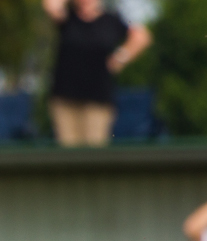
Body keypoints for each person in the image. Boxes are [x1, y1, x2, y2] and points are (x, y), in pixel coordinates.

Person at [43, 0, 152, 147]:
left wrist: (119, 58)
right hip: (65, 98)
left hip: (98, 98)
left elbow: (142, 37)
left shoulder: (111, 20)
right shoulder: (67, 18)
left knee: (94, 153)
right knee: (67, 156)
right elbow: (51, 5)